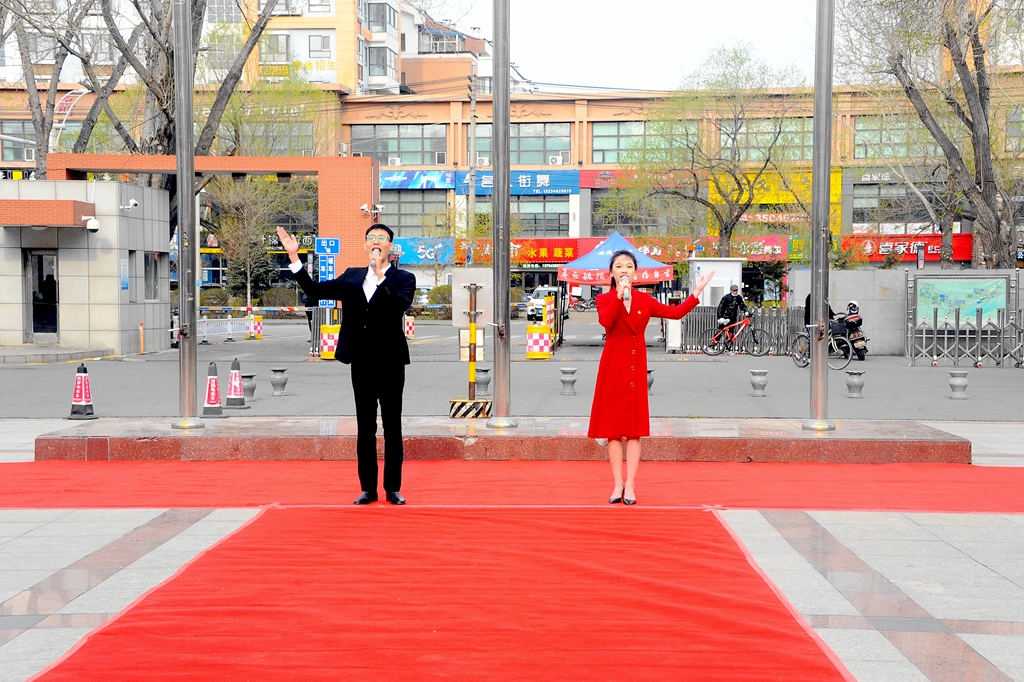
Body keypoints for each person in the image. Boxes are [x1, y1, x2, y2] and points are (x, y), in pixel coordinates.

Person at [277, 224, 416, 505]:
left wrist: (380, 275)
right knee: (365, 426)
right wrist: (293, 257)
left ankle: (392, 488)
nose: (376, 242)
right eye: (371, 238)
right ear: (365, 245)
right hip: (361, 359)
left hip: (390, 361)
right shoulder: (351, 276)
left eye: (381, 238)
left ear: (390, 246)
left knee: (392, 426)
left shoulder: (404, 278)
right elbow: (314, 290)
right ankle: (368, 488)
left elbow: (399, 305)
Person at [588, 250, 714, 505]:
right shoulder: (604, 299)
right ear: (611, 273)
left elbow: (675, 313)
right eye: (619, 266)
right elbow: (606, 322)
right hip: (612, 368)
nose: (624, 270)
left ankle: (631, 485)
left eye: (629, 266)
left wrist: (697, 292)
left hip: (635, 368)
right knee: (613, 431)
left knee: (634, 431)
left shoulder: (645, 300)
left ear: (635, 272)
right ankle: (617, 484)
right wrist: (619, 296)